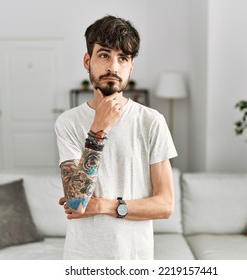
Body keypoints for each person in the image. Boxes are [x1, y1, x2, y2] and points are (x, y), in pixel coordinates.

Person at [54, 15, 177, 260]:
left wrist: (105, 206)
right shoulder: (68, 122)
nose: (113, 66)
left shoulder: (151, 121)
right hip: (82, 257)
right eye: (104, 55)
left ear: (131, 67)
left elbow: (165, 205)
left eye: (123, 58)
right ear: (87, 61)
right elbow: (77, 202)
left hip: (134, 257)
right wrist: (99, 129)